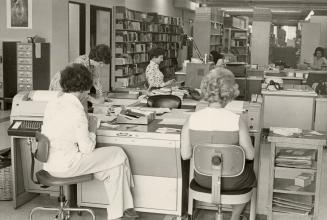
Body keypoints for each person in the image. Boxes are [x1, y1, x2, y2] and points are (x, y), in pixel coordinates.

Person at [42, 64, 136, 220]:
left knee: (113, 168)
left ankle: (121, 212)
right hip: (67, 165)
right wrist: (91, 129)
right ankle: (123, 210)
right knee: (118, 153)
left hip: (50, 163)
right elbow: (87, 149)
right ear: (85, 88)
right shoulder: (76, 110)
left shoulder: (53, 102)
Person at [181, 67, 256, 220]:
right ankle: (235, 217)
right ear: (230, 93)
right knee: (251, 176)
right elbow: (250, 154)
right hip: (234, 181)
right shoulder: (237, 120)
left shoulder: (191, 120)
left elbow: (185, 155)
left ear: (206, 90)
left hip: (203, 179)